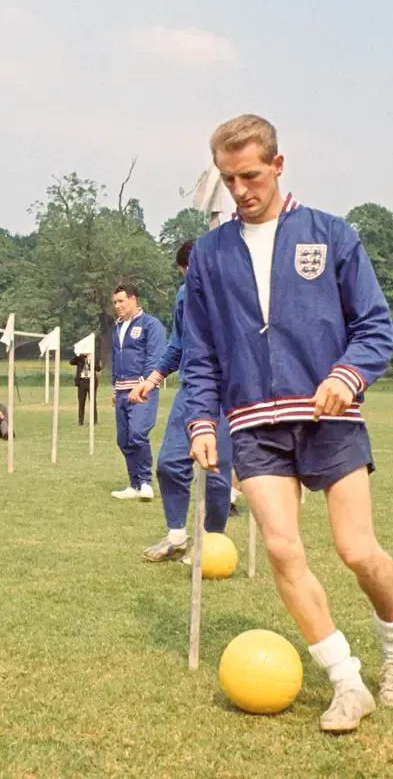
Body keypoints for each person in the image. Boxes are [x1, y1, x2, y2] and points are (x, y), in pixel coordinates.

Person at [182, 114, 393, 733]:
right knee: (284, 550)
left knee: (357, 551)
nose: (240, 189)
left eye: (251, 175)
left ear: (278, 167)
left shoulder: (331, 235)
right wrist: (201, 419)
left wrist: (346, 376)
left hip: (329, 417)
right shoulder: (208, 256)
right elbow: (201, 350)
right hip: (253, 424)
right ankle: (346, 681)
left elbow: (375, 327)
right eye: (229, 179)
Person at [130, 240, 235, 562]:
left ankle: (212, 542)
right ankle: (176, 536)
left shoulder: (237, 294)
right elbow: (177, 345)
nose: (189, 279)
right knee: (169, 464)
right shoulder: (183, 297)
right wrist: (151, 380)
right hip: (190, 392)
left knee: (216, 472)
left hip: (229, 393)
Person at [109, 284, 166, 501]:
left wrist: (143, 384)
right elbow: (116, 360)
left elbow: (155, 357)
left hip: (143, 390)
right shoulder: (116, 328)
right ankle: (133, 485)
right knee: (123, 439)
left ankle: (145, 483)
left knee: (137, 434)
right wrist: (115, 388)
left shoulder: (151, 325)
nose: (118, 306)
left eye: (121, 301)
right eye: (115, 302)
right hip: (122, 390)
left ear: (133, 299)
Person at [68, 352, 100, 426]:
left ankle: (94, 421)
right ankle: (80, 421)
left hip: (91, 381)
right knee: (81, 402)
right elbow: (71, 362)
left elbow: (98, 368)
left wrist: (91, 362)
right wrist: (78, 356)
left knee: (92, 401)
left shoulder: (94, 357)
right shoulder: (80, 358)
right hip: (82, 382)